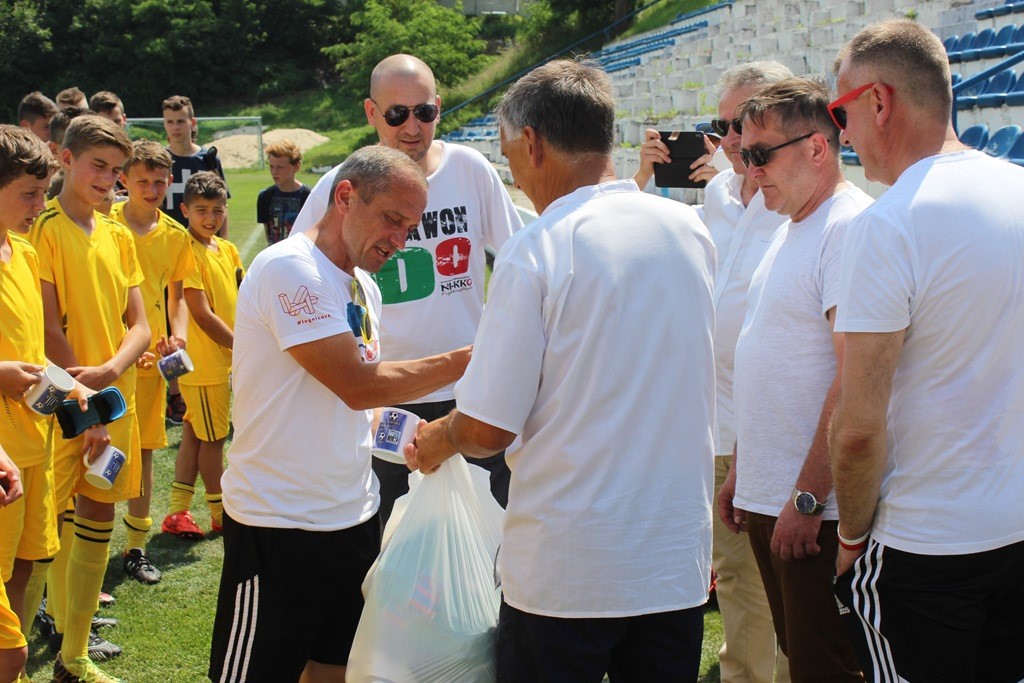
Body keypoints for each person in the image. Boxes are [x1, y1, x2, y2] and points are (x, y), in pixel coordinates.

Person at [406, 59, 716, 682]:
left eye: (509, 156)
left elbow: (488, 427)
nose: (514, 175)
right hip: (671, 558)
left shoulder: (540, 246)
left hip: (568, 570)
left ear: (532, 143)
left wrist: (434, 439)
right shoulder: (690, 229)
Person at [209, 145, 470, 683]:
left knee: (334, 670)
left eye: (410, 227)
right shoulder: (289, 268)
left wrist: (412, 438)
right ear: (346, 196)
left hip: (352, 519)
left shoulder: (364, 286)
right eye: (392, 221)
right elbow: (355, 384)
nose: (401, 241)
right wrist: (471, 360)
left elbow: (359, 407)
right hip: (277, 525)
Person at [830, 18, 1024, 683]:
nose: (841, 134)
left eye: (840, 112)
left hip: (925, 545)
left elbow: (857, 430)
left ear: (879, 103)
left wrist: (850, 539)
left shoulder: (888, 224)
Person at [289, 54, 523, 526]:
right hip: (384, 395)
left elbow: (519, 259)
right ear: (371, 113)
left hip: (471, 391)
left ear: (438, 107)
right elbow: (303, 273)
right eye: (397, 114)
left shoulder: (470, 169)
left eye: (424, 112)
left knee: (489, 528)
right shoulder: (341, 186)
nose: (412, 126)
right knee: (392, 536)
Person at [634, 61, 793, 683]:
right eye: (719, 124)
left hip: (784, 433)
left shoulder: (799, 203)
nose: (726, 137)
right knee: (741, 589)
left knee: (792, 595)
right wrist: (644, 180)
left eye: (740, 124)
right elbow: (638, 252)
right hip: (719, 430)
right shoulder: (718, 198)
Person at [717, 77, 871, 683]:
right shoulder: (788, 226)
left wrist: (808, 497)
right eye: (743, 153)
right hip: (772, 496)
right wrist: (741, 472)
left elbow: (852, 378)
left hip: (813, 509)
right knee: (799, 654)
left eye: (761, 153)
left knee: (827, 666)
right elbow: (771, 363)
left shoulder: (848, 227)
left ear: (817, 148)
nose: (749, 169)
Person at [28, 114, 148, 683]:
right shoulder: (44, 230)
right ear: (65, 159)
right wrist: (85, 400)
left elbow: (140, 325)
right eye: (98, 165)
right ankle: (26, 654)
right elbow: (49, 333)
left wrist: (111, 370)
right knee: (44, 530)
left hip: (108, 398)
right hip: (62, 405)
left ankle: (73, 657)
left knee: (99, 511)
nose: (108, 179)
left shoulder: (120, 233)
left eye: (116, 170)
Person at [0, 124, 106, 683]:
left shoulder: (21, 251)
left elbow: (37, 355)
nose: (39, 206)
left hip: (34, 446)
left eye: (44, 193)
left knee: (27, 565)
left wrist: (78, 396)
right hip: (1, 460)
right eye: (28, 194)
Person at [110, 141, 196, 582]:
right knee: (101, 450)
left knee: (143, 452)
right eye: (142, 180)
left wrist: (177, 332)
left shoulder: (176, 235)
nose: (151, 188)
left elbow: (176, 297)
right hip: (106, 356)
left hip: (150, 363)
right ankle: (78, 548)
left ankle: (135, 547)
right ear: (123, 179)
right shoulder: (103, 224)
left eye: (159, 181)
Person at [161, 172, 240, 542]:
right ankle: (220, 513)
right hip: (205, 367)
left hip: (220, 363)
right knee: (214, 439)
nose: (211, 218)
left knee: (194, 434)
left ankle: (177, 512)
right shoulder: (186, 251)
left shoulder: (226, 249)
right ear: (184, 210)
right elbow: (202, 314)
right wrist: (241, 347)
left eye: (217, 210)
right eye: (201, 210)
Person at [161, 96, 229, 234]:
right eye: (170, 122)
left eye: (180, 121)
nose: (175, 127)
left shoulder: (208, 159)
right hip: (169, 239)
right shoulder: (159, 160)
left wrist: (223, 240)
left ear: (192, 122)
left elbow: (222, 205)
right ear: (164, 124)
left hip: (204, 239)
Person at [256, 139, 310, 245]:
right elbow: (268, 233)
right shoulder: (265, 196)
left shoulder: (308, 196)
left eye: (280, 167)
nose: (274, 172)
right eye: (271, 166)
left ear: (296, 166)